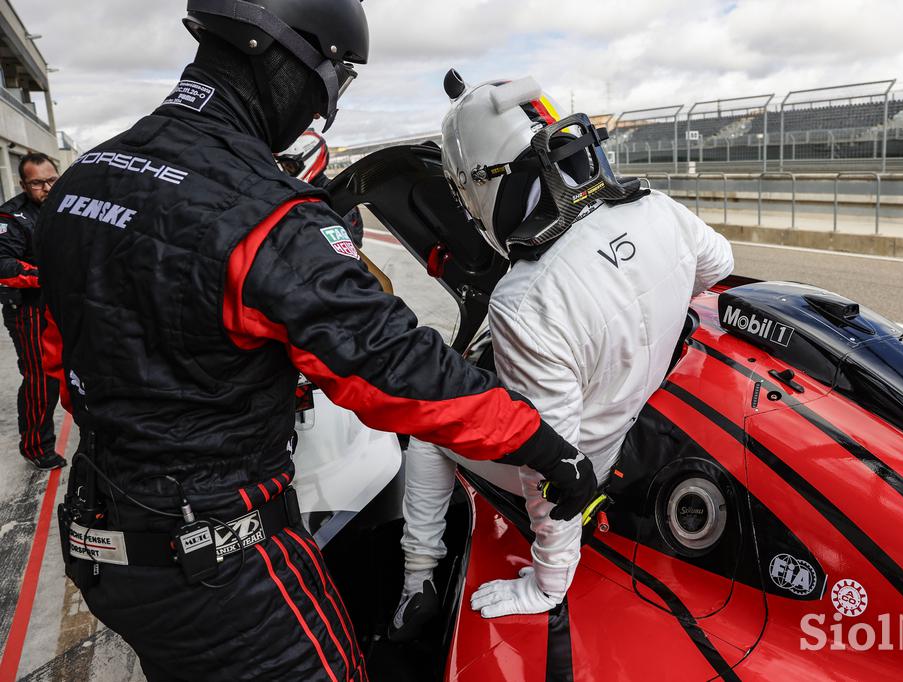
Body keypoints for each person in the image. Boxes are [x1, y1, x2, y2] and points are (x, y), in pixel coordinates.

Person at [34, 3, 596, 681]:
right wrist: (539, 444)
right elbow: (394, 368)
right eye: (335, 80)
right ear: (280, 55)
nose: (321, 112)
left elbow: (61, 353)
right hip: (221, 566)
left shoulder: (83, 181)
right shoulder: (262, 212)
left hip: (103, 548)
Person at [391, 72, 733, 637]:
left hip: (591, 464)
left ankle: (416, 578)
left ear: (482, 181)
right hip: (640, 414)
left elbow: (551, 464)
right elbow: (718, 266)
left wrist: (548, 582)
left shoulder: (525, 299)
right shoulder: (658, 208)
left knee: (431, 428)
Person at [0, 153, 64, 470]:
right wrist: (49, 274)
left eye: (51, 179)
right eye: (38, 182)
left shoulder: (68, 203)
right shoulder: (10, 217)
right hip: (28, 309)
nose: (47, 187)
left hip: (63, 305)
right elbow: (3, 266)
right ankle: (37, 446)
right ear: (24, 184)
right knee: (42, 378)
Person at [276, 129, 392, 294]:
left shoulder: (334, 198)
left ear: (309, 159)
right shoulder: (306, 196)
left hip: (339, 284)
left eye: (289, 166)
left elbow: (345, 254)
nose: (285, 172)